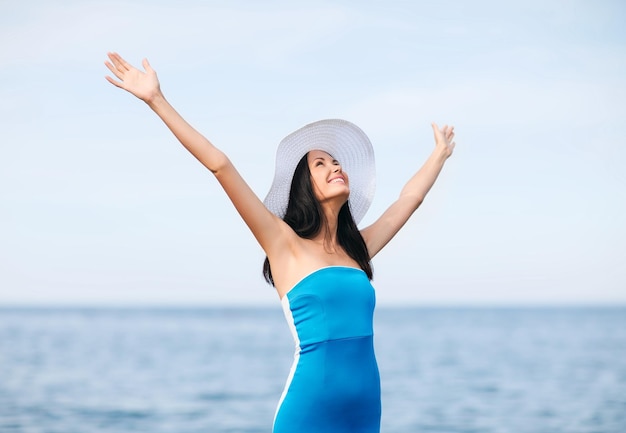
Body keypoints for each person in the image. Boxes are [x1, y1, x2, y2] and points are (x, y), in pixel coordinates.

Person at [104, 52, 456, 433]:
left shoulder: (357, 250)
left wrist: (439, 154)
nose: (335, 167)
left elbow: (409, 200)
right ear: (305, 187)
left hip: (365, 409)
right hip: (310, 409)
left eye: (336, 161)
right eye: (321, 164)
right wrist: (157, 100)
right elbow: (220, 165)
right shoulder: (283, 244)